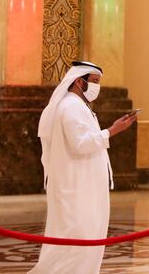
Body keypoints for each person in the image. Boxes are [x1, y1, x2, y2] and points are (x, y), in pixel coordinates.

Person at [29, 61, 136, 274]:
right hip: (75, 190)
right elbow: (80, 144)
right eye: (94, 81)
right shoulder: (70, 106)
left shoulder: (79, 106)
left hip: (84, 188)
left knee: (88, 238)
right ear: (79, 81)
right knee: (76, 242)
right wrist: (113, 130)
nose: (97, 87)